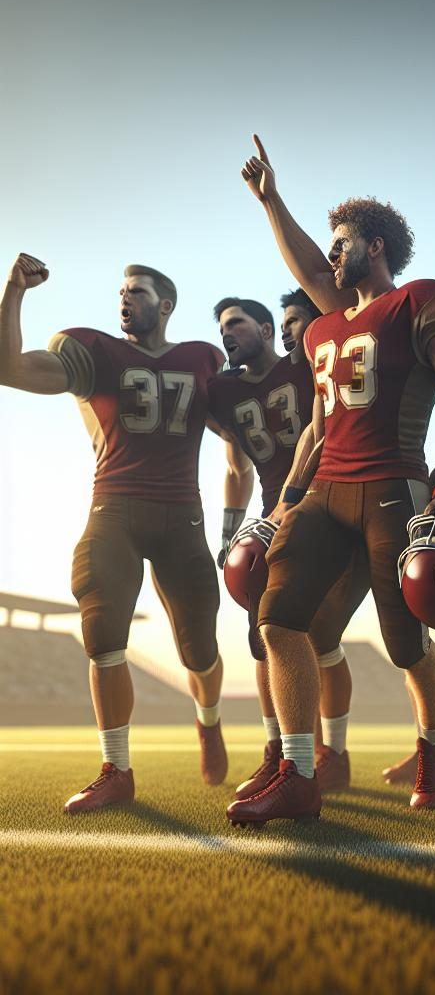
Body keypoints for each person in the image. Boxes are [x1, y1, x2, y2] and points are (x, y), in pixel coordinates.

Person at [226, 136, 435, 825]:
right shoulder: (323, 330)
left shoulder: (418, 302)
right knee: (277, 621)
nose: (330, 257)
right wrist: (284, 502)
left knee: (405, 643)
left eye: (342, 244)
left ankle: (432, 744)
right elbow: (314, 425)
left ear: (373, 248)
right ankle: (301, 772)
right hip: (325, 490)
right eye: (329, 246)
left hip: (390, 490)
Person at [0, 255, 230, 812]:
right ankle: (116, 768)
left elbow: (241, 439)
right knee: (101, 629)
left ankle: (209, 719)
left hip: (183, 515)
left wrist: (239, 516)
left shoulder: (204, 360)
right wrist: (13, 293)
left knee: (198, 650)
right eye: (121, 291)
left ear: (166, 304)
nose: (124, 298)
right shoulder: (93, 351)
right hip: (115, 508)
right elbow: (10, 369)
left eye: (137, 290)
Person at [207, 295, 357, 796]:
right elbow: (235, 466)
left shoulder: (306, 361)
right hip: (274, 513)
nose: (227, 333)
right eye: (221, 327)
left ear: (268, 330)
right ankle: (279, 752)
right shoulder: (225, 393)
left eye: (236, 324)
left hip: (325, 500)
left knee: (320, 634)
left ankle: (331, 751)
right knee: (263, 636)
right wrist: (231, 530)